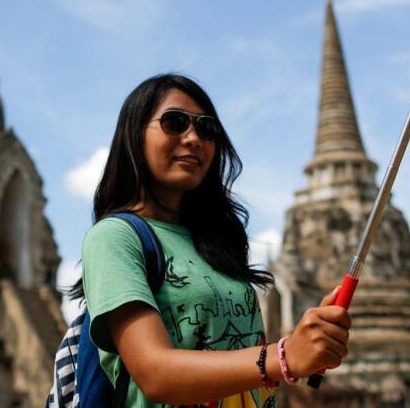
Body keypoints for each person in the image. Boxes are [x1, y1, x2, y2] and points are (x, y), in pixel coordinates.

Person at [71, 74, 351, 408]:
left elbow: (234, 357)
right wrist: (285, 355)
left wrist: (311, 340)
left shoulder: (217, 246)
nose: (193, 138)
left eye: (207, 129)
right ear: (134, 134)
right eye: (175, 122)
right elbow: (154, 374)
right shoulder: (115, 237)